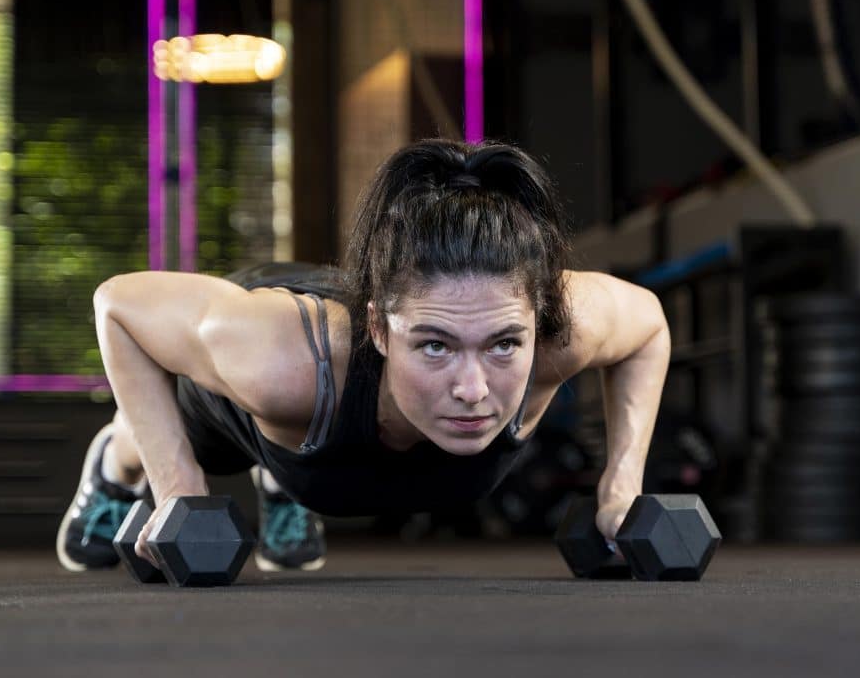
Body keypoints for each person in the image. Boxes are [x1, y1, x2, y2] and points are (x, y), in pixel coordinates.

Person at [55, 138, 671, 575]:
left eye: (503, 344)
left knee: (297, 419)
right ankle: (112, 466)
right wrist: (177, 487)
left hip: (341, 354)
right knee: (165, 431)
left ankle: (281, 478)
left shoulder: (559, 330)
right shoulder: (277, 362)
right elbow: (119, 305)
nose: (474, 390)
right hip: (276, 351)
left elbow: (647, 326)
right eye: (436, 346)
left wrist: (620, 487)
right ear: (380, 328)